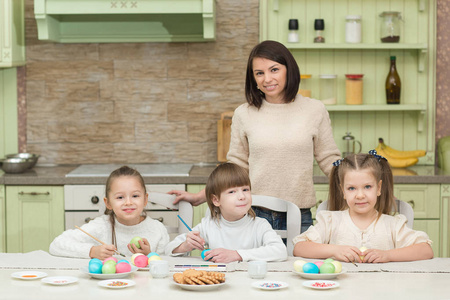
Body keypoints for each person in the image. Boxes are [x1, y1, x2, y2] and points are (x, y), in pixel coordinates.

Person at [169, 40, 341, 233]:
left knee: (299, 264)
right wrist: (200, 197)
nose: (267, 79)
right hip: (253, 215)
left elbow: (329, 160)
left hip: (298, 216)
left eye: (274, 70)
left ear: (289, 70)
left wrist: (362, 186)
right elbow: (236, 168)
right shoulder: (244, 114)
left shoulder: (314, 110)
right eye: (259, 73)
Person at [293, 151, 434, 263]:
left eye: (367, 187)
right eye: (351, 188)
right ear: (343, 191)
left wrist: (387, 255)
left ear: (378, 188)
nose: (360, 195)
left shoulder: (393, 225)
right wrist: (334, 250)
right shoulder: (331, 221)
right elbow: (299, 248)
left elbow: (426, 250)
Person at [165, 162, 287, 263]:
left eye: (245, 189)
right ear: (216, 200)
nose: (242, 196)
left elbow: (280, 251)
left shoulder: (259, 225)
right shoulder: (208, 226)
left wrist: (236, 255)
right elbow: (169, 249)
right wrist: (186, 245)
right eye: (232, 192)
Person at [50, 166, 170, 260]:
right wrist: (92, 251)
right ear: (108, 203)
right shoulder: (101, 226)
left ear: (145, 199)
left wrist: (149, 256)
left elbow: (165, 265)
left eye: (135, 196)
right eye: (120, 197)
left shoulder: (157, 229)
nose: (128, 202)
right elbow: (56, 244)